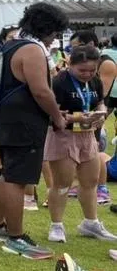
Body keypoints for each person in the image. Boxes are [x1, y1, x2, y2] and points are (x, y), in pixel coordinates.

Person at [0, 2, 70, 260]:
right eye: (55, 34)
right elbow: (41, 90)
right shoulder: (31, 50)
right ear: (48, 29)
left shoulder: (9, 44)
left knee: (6, 174)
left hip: (2, 118)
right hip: (23, 123)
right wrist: (56, 116)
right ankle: (16, 237)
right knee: (17, 180)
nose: (55, 40)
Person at [44, 45, 117, 243]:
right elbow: (52, 113)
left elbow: (100, 101)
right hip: (63, 136)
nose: (87, 74)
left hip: (87, 136)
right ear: (70, 65)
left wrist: (100, 114)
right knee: (62, 184)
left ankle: (90, 222)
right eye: (82, 70)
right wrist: (76, 118)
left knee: (91, 181)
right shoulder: (59, 83)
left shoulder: (94, 81)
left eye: (92, 70)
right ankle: (57, 225)